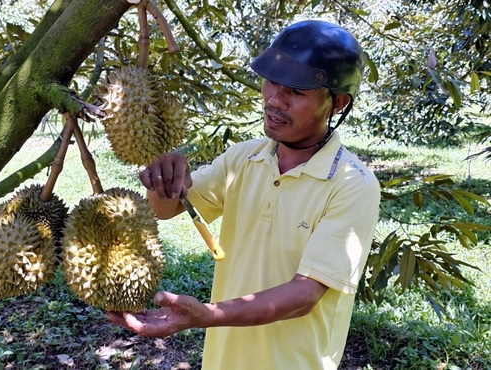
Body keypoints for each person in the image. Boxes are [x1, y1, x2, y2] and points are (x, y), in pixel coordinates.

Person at [107, 20, 381, 369]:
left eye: (297, 92)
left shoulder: (352, 184)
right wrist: (162, 174)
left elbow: (304, 295)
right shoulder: (244, 158)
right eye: (272, 82)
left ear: (338, 103)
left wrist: (206, 314)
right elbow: (166, 208)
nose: (275, 100)